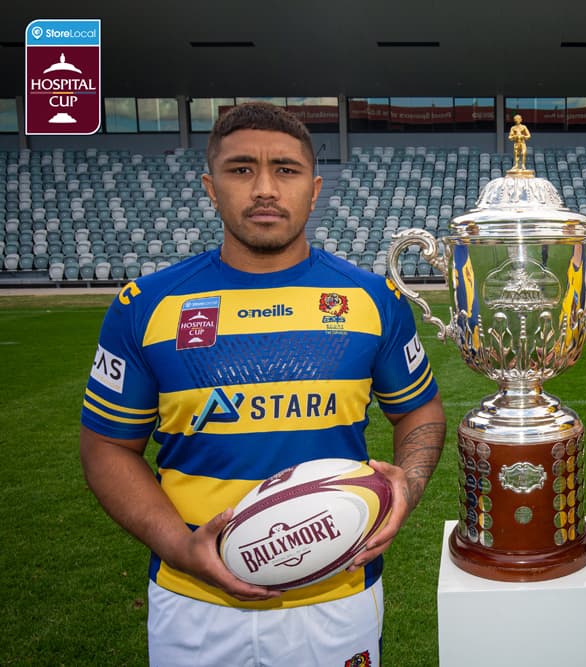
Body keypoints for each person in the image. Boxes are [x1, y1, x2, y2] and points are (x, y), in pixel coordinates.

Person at [80, 101, 446, 666]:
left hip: (337, 594)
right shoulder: (146, 305)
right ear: (211, 185)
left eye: (287, 170)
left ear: (315, 188)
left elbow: (419, 412)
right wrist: (180, 547)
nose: (265, 188)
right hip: (192, 603)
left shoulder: (373, 300)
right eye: (242, 169)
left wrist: (409, 485)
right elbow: (107, 446)